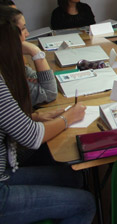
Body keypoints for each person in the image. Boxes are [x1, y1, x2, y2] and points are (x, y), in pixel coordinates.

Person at [0, 16, 96, 223]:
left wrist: (34, 116)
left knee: (73, 176)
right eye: (22, 32)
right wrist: (69, 117)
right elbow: (31, 137)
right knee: (85, 204)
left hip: (6, 171)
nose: (26, 36)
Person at [0, 6, 57, 106]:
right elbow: (49, 93)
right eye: (22, 29)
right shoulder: (4, 72)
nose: (27, 34)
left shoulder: (9, 60)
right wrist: (35, 52)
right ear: (8, 36)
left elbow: (33, 76)